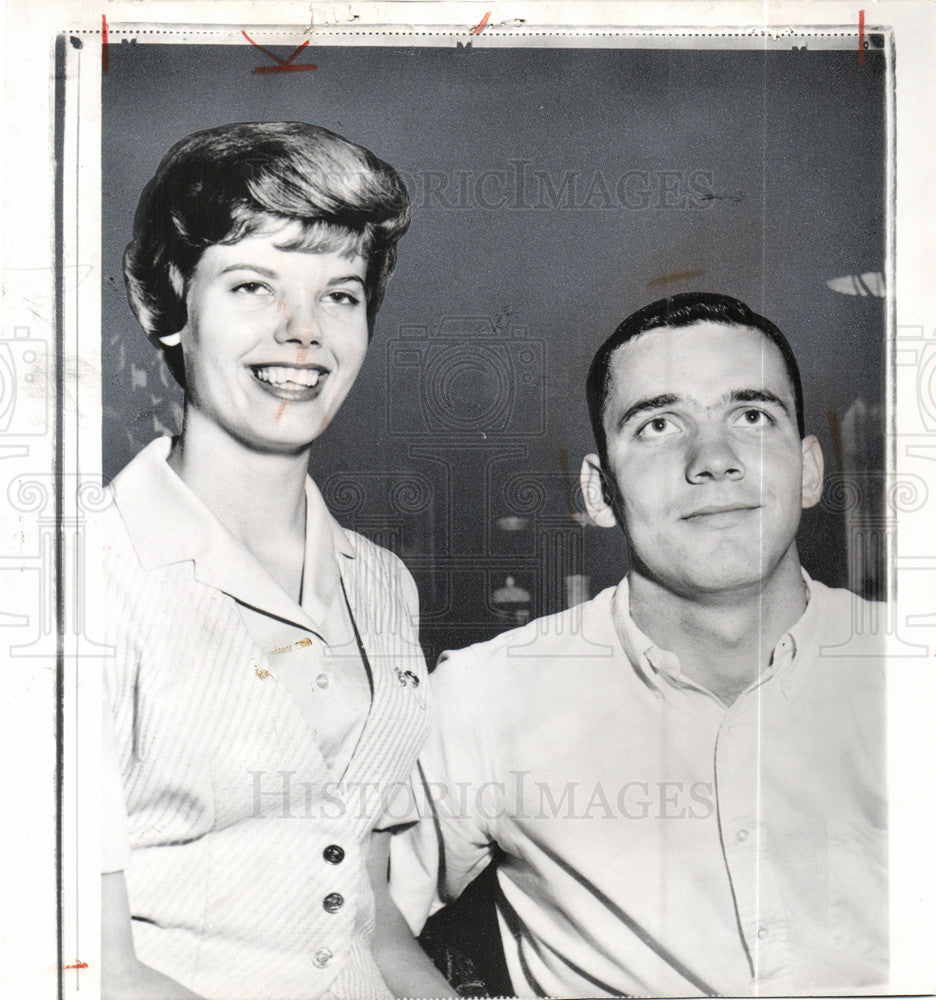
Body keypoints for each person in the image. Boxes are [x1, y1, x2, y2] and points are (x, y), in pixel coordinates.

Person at [390, 292, 887, 996]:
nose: (713, 459)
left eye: (750, 416)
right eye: (658, 424)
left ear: (808, 469)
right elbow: (344, 909)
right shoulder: (490, 696)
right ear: (599, 492)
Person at [100, 122, 451, 1000]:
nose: (304, 334)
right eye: (254, 285)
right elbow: (88, 963)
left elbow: (366, 911)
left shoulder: (381, 584)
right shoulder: (85, 574)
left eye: (340, 294)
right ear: (169, 304)